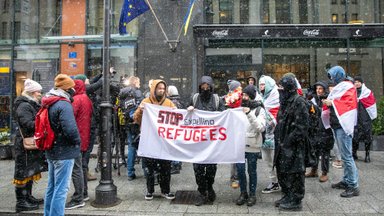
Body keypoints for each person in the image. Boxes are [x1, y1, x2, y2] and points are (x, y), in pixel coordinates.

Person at [43, 74, 81, 216]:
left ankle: (48, 213)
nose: (73, 90)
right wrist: (77, 141)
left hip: (52, 149)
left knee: (52, 187)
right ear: (67, 89)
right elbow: (70, 130)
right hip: (64, 152)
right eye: (71, 88)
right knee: (61, 189)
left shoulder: (49, 102)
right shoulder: (63, 104)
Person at [133, 79, 176, 200]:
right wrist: (140, 112)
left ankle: (165, 190)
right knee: (149, 168)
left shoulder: (168, 103)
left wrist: (175, 112)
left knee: (165, 167)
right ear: (154, 89)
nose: (161, 90)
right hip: (149, 141)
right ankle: (150, 190)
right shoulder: (146, 101)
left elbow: (177, 119)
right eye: (159, 88)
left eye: (163, 88)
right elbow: (136, 119)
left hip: (164, 142)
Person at [187, 76, 225, 206]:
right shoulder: (194, 98)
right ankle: (202, 192)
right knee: (198, 168)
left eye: (207, 86)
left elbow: (223, 115)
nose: (205, 88)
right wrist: (189, 110)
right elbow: (185, 115)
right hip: (197, 142)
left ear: (211, 86)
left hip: (211, 142)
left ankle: (210, 187)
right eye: (203, 85)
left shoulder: (217, 99)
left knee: (211, 168)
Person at [324, 66, 360, 198]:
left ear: (338, 75)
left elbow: (346, 104)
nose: (331, 79)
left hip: (343, 126)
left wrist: (331, 102)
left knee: (347, 156)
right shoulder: (343, 85)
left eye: (332, 76)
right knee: (345, 156)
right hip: (338, 125)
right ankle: (347, 181)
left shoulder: (347, 86)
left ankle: (353, 185)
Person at [274, 74, 308, 211]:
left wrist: (289, 141)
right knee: (283, 171)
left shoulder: (299, 102)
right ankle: (287, 195)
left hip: (294, 146)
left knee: (295, 172)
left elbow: (302, 127)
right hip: (283, 143)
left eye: (281, 87)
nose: (279, 90)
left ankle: (296, 200)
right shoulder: (285, 100)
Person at [13, 79, 46, 212]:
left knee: (29, 172)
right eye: (38, 91)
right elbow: (27, 124)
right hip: (24, 146)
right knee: (22, 173)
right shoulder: (24, 106)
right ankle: (21, 202)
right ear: (32, 92)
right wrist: (42, 125)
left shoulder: (30, 103)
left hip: (29, 145)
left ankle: (28, 197)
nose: (40, 93)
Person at [235, 85, 266, 207]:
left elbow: (260, 127)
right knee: (240, 171)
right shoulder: (239, 108)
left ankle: (252, 194)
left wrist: (249, 114)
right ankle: (243, 193)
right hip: (239, 145)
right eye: (243, 95)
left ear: (252, 97)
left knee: (252, 171)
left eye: (246, 95)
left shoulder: (259, 110)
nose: (244, 97)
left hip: (252, 145)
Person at [65, 80, 93, 209]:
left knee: (77, 169)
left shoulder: (76, 100)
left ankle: (78, 197)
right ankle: (84, 193)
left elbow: (70, 119)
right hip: (84, 136)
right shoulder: (86, 98)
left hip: (77, 137)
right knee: (82, 167)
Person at [306, 81, 334, 182]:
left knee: (325, 151)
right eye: (317, 89)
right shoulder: (313, 99)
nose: (318, 91)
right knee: (315, 150)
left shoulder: (328, 99)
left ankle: (324, 173)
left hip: (325, 129)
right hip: (315, 128)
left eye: (320, 89)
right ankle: (314, 170)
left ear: (324, 90)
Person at [258, 75, 281, 194]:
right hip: (264, 135)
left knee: (275, 160)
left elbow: (276, 115)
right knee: (267, 160)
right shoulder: (261, 97)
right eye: (260, 85)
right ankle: (274, 182)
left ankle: (280, 181)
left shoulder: (276, 96)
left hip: (274, 136)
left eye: (263, 84)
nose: (261, 87)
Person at [119, 76, 143, 181]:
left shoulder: (122, 94)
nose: (140, 84)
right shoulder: (137, 92)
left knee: (131, 147)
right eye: (139, 82)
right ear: (135, 82)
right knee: (140, 147)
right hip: (136, 123)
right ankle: (146, 170)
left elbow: (120, 106)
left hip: (127, 122)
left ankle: (130, 172)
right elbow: (142, 106)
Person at [352, 76, 377, 162]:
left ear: (362, 83)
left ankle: (367, 154)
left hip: (365, 118)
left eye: (358, 82)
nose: (357, 83)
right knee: (354, 137)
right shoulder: (351, 92)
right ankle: (354, 153)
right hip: (355, 118)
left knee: (367, 137)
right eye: (355, 82)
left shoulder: (367, 92)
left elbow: (372, 104)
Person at [224, 80, 242, 189]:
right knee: (234, 155)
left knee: (238, 155)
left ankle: (237, 176)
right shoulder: (229, 98)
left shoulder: (239, 97)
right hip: (233, 129)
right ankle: (235, 177)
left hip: (239, 129)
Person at [167, 85, 183, 174]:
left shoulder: (171, 102)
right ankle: (177, 164)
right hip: (177, 127)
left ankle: (175, 165)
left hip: (173, 126)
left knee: (173, 146)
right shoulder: (178, 101)